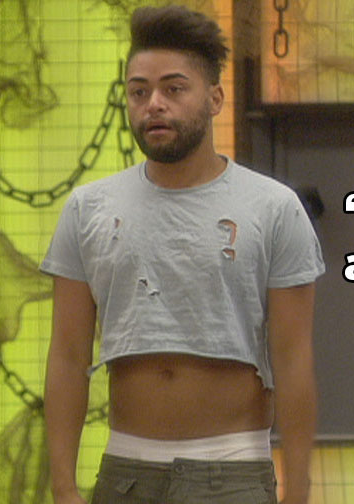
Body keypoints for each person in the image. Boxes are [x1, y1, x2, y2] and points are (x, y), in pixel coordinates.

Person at [40, 5, 325, 504]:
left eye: (174, 89)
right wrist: (63, 485)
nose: (154, 104)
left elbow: (293, 358)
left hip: (232, 473)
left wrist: (298, 491)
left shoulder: (273, 208)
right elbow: (67, 356)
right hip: (125, 473)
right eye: (139, 92)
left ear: (214, 98)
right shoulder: (88, 209)